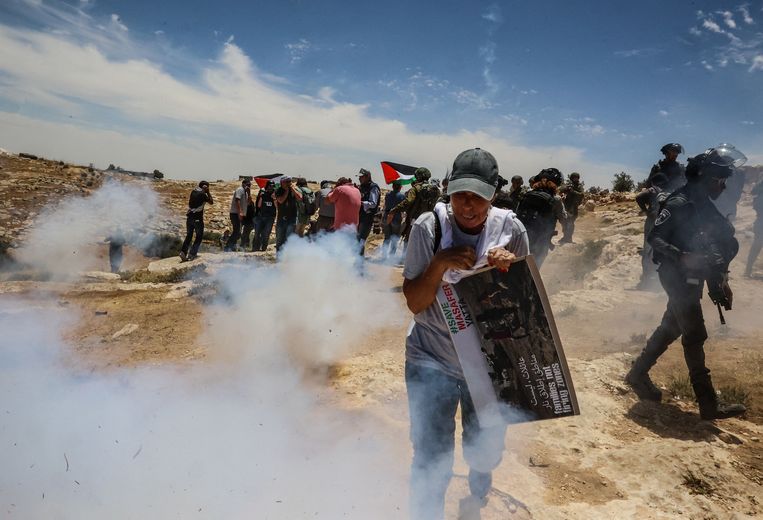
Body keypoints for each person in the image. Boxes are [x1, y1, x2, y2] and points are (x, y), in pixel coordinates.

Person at [403, 148, 528, 519]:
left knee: (485, 448)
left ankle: (479, 480)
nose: (467, 205)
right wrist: (440, 263)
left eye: (477, 196)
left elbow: (525, 308)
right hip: (431, 358)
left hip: (487, 366)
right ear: (448, 191)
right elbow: (414, 302)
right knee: (430, 453)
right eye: (460, 194)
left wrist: (511, 271)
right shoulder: (429, 228)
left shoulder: (511, 231)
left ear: (493, 194)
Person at [626, 144, 748, 420]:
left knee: (671, 327)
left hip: (693, 277)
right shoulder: (679, 202)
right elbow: (655, 237)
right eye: (720, 180)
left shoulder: (705, 204)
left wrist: (720, 279)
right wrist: (681, 256)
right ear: (706, 178)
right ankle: (708, 405)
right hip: (675, 275)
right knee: (695, 335)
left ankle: (636, 374)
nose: (723, 186)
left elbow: (722, 242)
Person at [515, 168, 567, 266]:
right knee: (534, 270)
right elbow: (564, 219)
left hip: (520, 239)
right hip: (540, 243)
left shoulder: (527, 194)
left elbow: (517, 214)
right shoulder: (556, 200)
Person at [634, 172, 669, 290]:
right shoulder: (669, 191)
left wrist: (646, 211)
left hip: (652, 220)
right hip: (665, 221)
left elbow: (638, 197)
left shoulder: (653, 190)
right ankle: (660, 281)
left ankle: (646, 280)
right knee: (661, 248)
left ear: (654, 182)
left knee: (648, 248)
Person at [386, 167, 441, 244]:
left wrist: (394, 210)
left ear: (419, 177)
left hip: (414, 222)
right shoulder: (436, 191)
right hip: (429, 223)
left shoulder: (416, 188)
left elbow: (408, 201)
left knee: (408, 243)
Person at [180, 180, 213, 261]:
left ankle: (183, 252)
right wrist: (208, 192)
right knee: (199, 236)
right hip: (197, 218)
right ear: (205, 187)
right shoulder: (203, 194)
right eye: (207, 187)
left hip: (189, 217)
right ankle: (192, 254)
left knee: (189, 236)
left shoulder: (193, 191)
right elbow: (211, 202)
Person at [274, 176, 302, 251]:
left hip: (292, 218)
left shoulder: (294, 190)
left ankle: (286, 257)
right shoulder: (278, 190)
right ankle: (279, 257)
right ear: (281, 183)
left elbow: (300, 197)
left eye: (289, 181)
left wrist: (292, 189)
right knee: (279, 239)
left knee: (288, 239)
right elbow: (281, 201)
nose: (288, 183)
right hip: (281, 218)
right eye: (286, 182)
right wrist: (286, 191)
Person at [357, 168, 381, 256]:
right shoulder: (362, 187)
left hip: (367, 218)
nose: (359, 179)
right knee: (357, 240)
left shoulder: (373, 187)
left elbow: (373, 203)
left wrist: (361, 203)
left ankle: (359, 262)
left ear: (367, 177)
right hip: (360, 216)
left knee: (361, 240)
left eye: (361, 177)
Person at [224, 179, 251, 252]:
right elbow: (237, 200)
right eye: (247, 185)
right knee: (237, 232)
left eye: (249, 185)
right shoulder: (240, 190)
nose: (248, 186)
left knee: (237, 232)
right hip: (235, 213)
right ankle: (228, 247)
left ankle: (231, 246)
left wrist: (249, 193)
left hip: (240, 214)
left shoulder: (246, 193)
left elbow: (249, 203)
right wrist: (240, 212)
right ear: (243, 184)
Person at [559, 172, 585, 244]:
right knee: (564, 222)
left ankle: (569, 238)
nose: (575, 179)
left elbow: (581, 195)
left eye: (576, 177)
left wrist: (573, 191)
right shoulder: (570, 185)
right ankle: (565, 237)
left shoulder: (579, 186)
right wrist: (566, 188)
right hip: (566, 206)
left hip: (574, 207)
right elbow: (561, 189)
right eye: (574, 177)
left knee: (570, 223)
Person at [382, 180, 406, 258]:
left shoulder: (388, 194)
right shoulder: (402, 196)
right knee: (394, 239)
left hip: (386, 217)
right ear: (400, 187)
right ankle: (391, 258)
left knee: (387, 237)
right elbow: (403, 210)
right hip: (396, 218)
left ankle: (384, 256)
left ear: (392, 186)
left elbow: (385, 206)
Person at [744, 179, 763, 277]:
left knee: (756, 246)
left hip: (760, 221)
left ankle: (748, 270)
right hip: (761, 221)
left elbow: (753, 191)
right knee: (757, 245)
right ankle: (748, 270)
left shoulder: (760, 185)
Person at [252, 180, 277, 251]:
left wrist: (274, 198)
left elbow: (277, 207)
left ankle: (263, 248)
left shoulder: (275, 193)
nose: (271, 188)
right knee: (257, 233)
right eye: (270, 186)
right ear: (267, 186)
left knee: (266, 234)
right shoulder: (263, 193)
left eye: (272, 186)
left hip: (270, 217)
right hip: (261, 216)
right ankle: (255, 248)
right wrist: (261, 197)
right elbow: (259, 205)